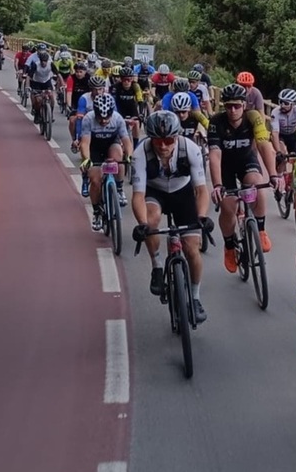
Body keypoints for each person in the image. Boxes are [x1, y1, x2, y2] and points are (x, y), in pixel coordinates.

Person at [131, 111, 213, 322]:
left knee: (192, 248)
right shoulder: (141, 153)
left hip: (182, 192)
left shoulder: (191, 149)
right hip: (155, 192)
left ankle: (194, 298)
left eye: (168, 140)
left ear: (176, 137)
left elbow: (202, 190)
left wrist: (202, 217)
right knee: (151, 219)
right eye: (158, 140)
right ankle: (157, 266)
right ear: (151, 138)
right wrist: (142, 224)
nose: (163, 146)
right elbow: (138, 196)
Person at [207, 84, 282, 270]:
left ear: (244, 105)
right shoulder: (216, 121)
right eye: (229, 106)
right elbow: (215, 155)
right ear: (224, 106)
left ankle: (261, 229)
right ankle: (230, 246)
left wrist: (273, 175)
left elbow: (264, 146)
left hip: (246, 161)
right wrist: (217, 185)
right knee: (228, 206)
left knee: (256, 185)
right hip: (226, 166)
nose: (233, 110)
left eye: (237, 106)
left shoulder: (253, 117)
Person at [79, 93, 133, 230]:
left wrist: (130, 156)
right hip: (94, 147)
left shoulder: (118, 119)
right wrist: (87, 159)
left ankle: (119, 189)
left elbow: (126, 140)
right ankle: (97, 212)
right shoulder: (88, 119)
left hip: (111, 143)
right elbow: (85, 143)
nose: (103, 121)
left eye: (106, 118)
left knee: (118, 158)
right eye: (100, 118)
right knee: (96, 180)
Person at [271, 88, 296, 157]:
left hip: (292, 136)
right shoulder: (275, 113)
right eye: (281, 102)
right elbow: (275, 134)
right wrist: (278, 152)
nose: (282, 105)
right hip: (280, 136)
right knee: (282, 155)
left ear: (293, 104)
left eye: (286, 103)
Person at [25, 44, 59, 124]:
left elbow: (58, 74)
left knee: (51, 96)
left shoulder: (50, 63)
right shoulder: (35, 64)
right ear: (40, 61)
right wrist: (27, 86)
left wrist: (61, 84)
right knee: (38, 100)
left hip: (46, 82)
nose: (44, 63)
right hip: (36, 82)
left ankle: (51, 113)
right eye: (42, 61)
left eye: (45, 61)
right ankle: (37, 114)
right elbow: (29, 76)